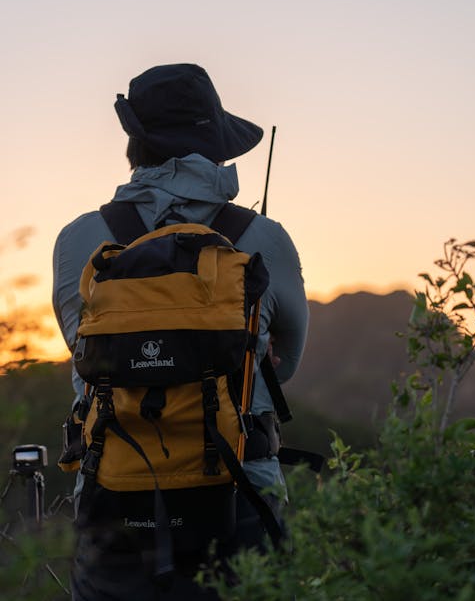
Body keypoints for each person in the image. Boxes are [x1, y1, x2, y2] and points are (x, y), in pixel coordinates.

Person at [52, 63, 309, 600]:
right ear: (215, 145)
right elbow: (290, 358)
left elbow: (82, 352)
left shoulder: (81, 242)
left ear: (134, 145)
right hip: (239, 493)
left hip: (112, 496)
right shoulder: (262, 237)